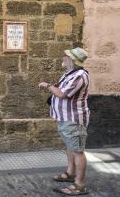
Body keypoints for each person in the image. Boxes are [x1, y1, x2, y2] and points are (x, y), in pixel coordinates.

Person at [38, 47, 90, 196]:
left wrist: (47, 85)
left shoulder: (80, 75)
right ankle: (70, 173)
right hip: (65, 118)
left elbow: (62, 94)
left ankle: (80, 185)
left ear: (72, 61)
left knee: (78, 151)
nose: (62, 58)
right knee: (70, 147)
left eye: (65, 56)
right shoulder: (70, 73)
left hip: (74, 119)